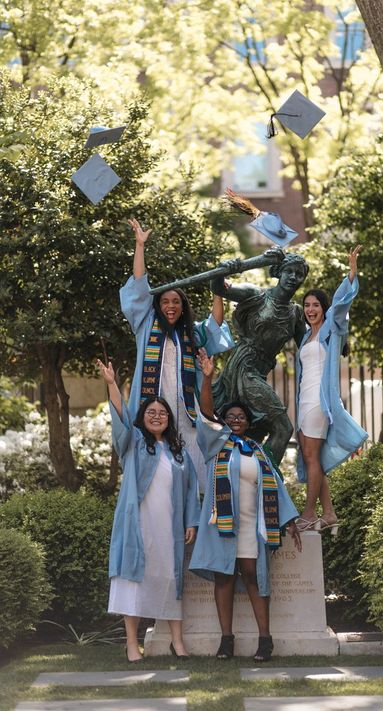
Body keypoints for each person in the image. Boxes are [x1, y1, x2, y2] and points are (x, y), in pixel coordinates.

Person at [189, 349, 302, 662]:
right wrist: (208, 377)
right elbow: (207, 414)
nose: (235, 420)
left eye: (241, 417)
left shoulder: (257, 451)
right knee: (224, 578)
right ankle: (226, 641)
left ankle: (265, 641)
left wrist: (289, 521)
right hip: (223, 526)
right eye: (231, 417)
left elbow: (275, 487)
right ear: (225, 422)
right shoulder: (216, 445)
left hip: (253, 526)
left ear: (248, 423)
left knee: (254, 576)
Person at [97, 358, 201, 662]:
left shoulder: (178, 454)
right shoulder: (134, 443)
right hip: (138, 525)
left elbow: (192, 491)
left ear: (169, 419)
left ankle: (177, 643)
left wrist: (191, 521)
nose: (157, 416)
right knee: (133, 582)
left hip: (168, 528)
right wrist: (112, 383)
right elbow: (120, 417)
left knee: (169, 579)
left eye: (162, 413)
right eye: (151, 413)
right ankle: (132, 644)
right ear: (143, 418)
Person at [121, 218, 234, 492]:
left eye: (176, 302)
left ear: (183, 307)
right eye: (165, 301)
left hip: (186, 413)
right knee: (158, 477)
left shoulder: (192, 335)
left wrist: (217, 288)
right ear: (158, 306)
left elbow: (215, 324)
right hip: (155, 413)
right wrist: (139, 246)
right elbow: (138, 288)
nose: (170, 306)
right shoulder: (146, 327)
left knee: (194, 474)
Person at [210, 250, 308, 465]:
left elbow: (310, 349)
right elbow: (217, 286)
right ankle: (266, 478)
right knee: (283, 428)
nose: (293, 277)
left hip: (259, 372)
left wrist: (335, 333)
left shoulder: (296, 314)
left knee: (255, 430)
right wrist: (231, 267)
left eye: (299, 274)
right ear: (278, 273)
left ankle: (246, 474)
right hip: (244, 366)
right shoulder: (257, 295)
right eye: (289, 271)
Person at [295, 246, 368, 534]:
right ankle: (329, 513)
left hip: (319, 402)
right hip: (303, 402)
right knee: (313, 458)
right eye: (307, 305)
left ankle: (309, 513)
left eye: (315, 305)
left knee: (312, 457)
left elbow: (341, 304)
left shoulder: (331, 328)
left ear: (324, 308)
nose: (311, 310)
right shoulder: (305, 335)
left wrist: (351, 273)